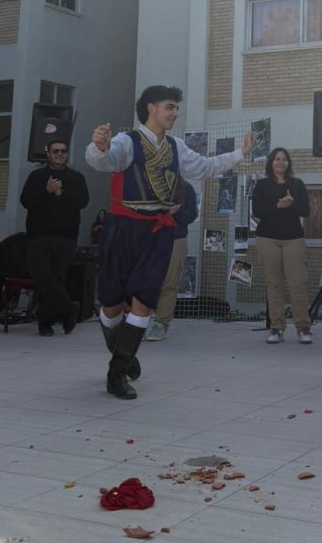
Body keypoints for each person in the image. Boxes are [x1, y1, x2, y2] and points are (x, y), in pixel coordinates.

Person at [86, 86, 252, 399]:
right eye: (169, 107)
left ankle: (116, 374)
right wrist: (99, 147)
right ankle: (122, 350)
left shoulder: (176, 147)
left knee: (144, 300)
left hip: (157, 231)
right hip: (122, 229)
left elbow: (205, 167)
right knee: (111, 304)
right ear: (151, 108)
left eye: (176, 108)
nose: (174, 113)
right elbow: (102, 161)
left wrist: (240, 154)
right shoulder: (126, 142)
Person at [20, 138, 90, 337]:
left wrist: (60, 193)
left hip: (65, 237)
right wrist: (46, 191)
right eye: (56, 151)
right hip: (38, 236)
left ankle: (46, 323)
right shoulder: (36, 176)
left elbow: (83, 201)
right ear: (48, 154)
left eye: (63, 151)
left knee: (57, 278)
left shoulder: (76, 177)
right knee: (41, 276)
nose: (60, 154)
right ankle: (69, 307)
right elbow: (26, 201)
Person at [252, 148, 312, 344]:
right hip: (267, 239)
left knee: (298, 283)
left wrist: (291, 203)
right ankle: (277, 328)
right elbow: (256, 210)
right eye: (277, 159)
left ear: (288, 163)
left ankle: (303, 328)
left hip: (293, 239)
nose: (280, 162)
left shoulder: (297, 184)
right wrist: (278, 206)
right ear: (271, 163)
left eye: (284, 159)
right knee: (274, 284)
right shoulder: (262, 185)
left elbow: (306, 211)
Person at [146, 178, 198, 340]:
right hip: (150, 239)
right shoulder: (149, 184)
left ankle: (161, 323)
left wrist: (174, 213)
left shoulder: (186, 187)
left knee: (169, 282)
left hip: (176, 239)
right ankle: (140, 320)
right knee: (146, 281)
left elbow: (192, 215)